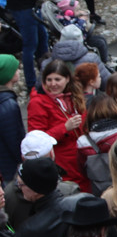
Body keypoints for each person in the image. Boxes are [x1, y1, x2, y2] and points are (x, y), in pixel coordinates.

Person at [28, 60, 88, 192]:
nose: (53, 84)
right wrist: (64, 128)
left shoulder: (74, 95)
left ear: (67, 79)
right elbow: (36, 139)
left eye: (57, 79)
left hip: (81, 155)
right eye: (49, 80)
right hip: (62, 160)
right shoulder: (37, 103)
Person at [7, 158, 69, 237]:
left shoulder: (29, 230)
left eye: (21, 184)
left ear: (35, 190)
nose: (19, 188)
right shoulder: (78, 207)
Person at [0, 54, 22, 183]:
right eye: (15, 69)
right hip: (7, 168)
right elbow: (14, 139)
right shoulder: (8, 104)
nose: (18, 71)